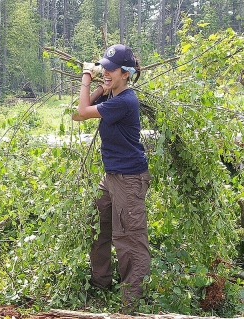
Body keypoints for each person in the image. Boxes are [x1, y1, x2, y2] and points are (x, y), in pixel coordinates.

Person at [72, 44, 151, 311]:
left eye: (111, 69)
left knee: (129, 239)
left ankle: (131, 303)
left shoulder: (125, 101)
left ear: (126, 74)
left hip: (129, 179)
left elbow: (82, 111)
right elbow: (76, 116)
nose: (104, 71)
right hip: (111, 177)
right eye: (102, 67)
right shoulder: (112, 98)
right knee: (98, 225)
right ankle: (101, 283)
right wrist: (102, 86)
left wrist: (86, 78)